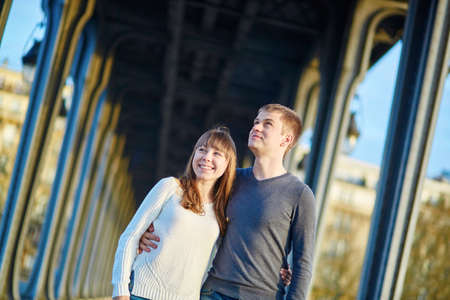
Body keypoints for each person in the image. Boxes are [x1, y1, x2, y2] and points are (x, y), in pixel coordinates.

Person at [140, 104, 316, 300]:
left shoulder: (300, 194)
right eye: (256, 122)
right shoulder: (228, 181)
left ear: (286, 139)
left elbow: (303, 264)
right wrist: (148, 233)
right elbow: (188, 209)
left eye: (267, 124)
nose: (256, 127)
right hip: (213, 293)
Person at [112, 127, 237, 300]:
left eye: (217, 153)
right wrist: (120, 290)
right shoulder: (170, 187)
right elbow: (130, 237)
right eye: (202, 149)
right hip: (141, 293)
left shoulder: (224, 210)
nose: (207, 157)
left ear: (227, 164)